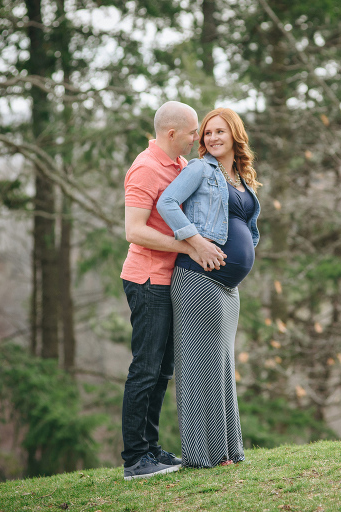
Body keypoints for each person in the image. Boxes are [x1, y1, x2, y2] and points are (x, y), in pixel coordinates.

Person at [120, 101, 226, 480]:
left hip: (173, 282)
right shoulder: (146, 169)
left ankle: (151, 449)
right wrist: (190, 246)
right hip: (147, 280)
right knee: (145, 370)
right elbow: (134, 230)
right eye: (193, 131)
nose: (198, 137)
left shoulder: (181, 167)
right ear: (172, 133)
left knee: (163, 371)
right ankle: (135, 458)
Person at [156, 107, 261, 468]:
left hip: (226, 287)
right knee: (201, 369)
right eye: (207, 133)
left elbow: (243, 225)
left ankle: (227, 452)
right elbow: (166, 202)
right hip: (198, 279)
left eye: (220, 132)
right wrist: (195, 241)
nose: (213, 138)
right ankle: (205, 456)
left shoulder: (239, 177)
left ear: (235, 135)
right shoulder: (201, 169)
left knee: (220, 368)